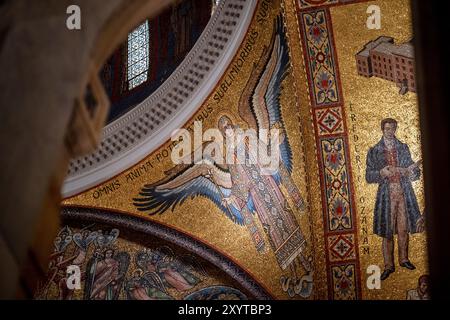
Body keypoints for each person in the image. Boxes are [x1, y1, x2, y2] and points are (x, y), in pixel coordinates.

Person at [366, 118, 424, 281]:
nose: (389, 131)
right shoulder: (375, 150)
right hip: (386, 195)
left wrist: (413, 172)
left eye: (392, 128)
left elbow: (414, 172)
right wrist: (380, 172)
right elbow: (368, 176)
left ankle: (404, 259)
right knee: (388, 231)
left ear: (396, 129)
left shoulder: (403, 148)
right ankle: (388, 265)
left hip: (403, 192)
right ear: (382, 130)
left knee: (403, 228)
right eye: (386, 128)